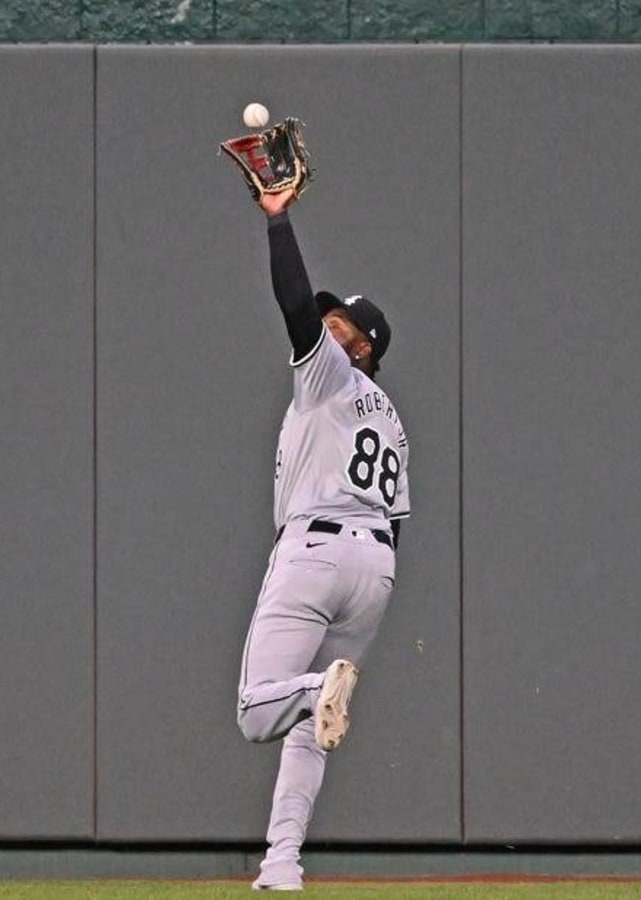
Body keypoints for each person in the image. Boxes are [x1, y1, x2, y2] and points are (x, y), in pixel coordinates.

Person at [234, 186, 410, 891]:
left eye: (342, 325)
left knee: (259, 710)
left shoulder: (330, 375)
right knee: (313, 726)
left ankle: (314, 686)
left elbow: (292, 303)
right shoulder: (390, 418)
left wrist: (278, 221)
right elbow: (398, 518)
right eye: (329, 320)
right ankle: (282, 862)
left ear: (363, 349)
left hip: (317, 547)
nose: (326, 326)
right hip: (377, 568)